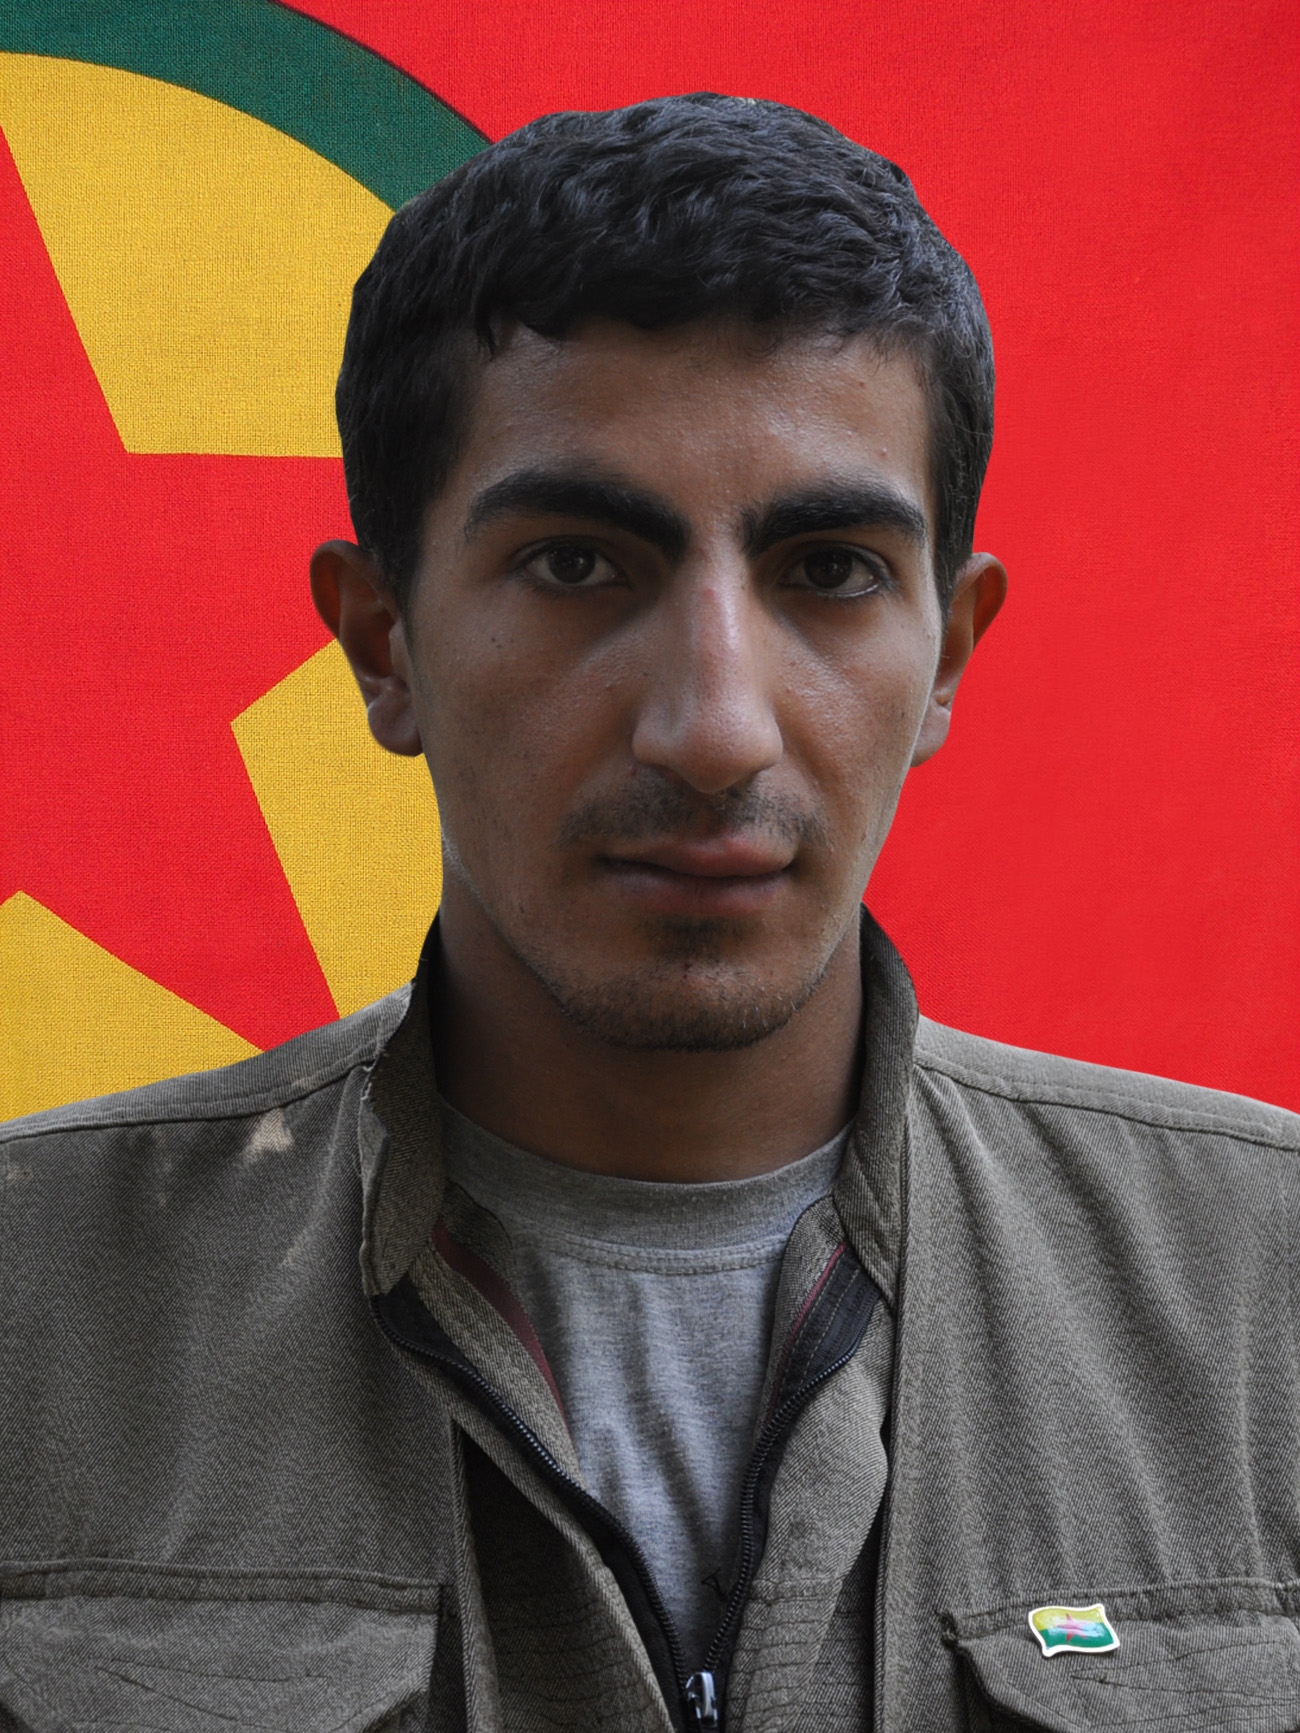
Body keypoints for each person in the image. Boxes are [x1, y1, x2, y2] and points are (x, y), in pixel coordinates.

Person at [0, 94, 1296, 1733]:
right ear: (384, 642)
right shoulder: (31, 1310)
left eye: (829, 569)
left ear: (949, 656)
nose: (715, 727)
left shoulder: (1268, 1295)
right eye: (577, 565)